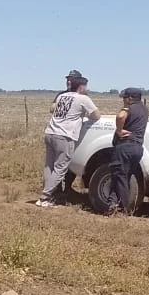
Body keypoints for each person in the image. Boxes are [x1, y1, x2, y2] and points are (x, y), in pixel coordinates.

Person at [38, 70, 100, 207]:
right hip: (65, 135)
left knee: (49, 166)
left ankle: (49, 194)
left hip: (50, 132)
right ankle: (45, 197)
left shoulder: (62, 96)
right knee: (60, 168)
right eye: (86, 86)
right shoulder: (83, 98)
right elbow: (96, 115)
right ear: (81, 87)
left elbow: (53, 108)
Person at [105, 87, 148, 214]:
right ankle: (112, 204)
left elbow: (120, 116)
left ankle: (124, 210)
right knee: (121, 176)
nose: (123, 100)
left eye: (124, 98)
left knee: (120, 177)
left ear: (130, 98)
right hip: (137, 148)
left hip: (125, 146)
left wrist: (119, 130)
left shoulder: (129, 108)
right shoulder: (144, 109)